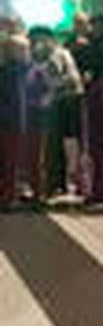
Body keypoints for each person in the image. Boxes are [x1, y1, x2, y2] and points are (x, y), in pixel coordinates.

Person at [26, 27, 84, 197]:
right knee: (54, 144)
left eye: (38, 39)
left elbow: (71, 79)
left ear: (48, 39)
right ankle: (56, 182)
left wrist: (51, 85)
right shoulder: (39, 57)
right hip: (52, 104)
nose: (36, 44)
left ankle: (59, 182)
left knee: (58, 144)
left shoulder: (59, 55)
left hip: (65, 103)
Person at [0, 26, 29, 206]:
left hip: (9, 119)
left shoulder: (11, 70)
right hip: (12, 119)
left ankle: (8, 195)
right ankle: (8, 195)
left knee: (8, 160)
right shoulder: (17, 71)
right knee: (9, 160)